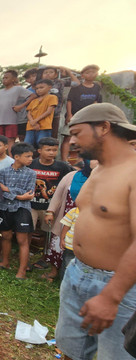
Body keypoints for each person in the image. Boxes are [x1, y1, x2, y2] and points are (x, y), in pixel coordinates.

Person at [54, 103, 136, 360]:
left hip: (119, 286)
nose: (73, 141)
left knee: (114, 356)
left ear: (103, 127)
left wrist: (111, 297)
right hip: (77, 272)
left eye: (77, 133)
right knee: (71, 350)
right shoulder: (98, 168)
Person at [28, 137, 74, 279]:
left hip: (51, 207)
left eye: (54, 150)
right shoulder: (32, 164)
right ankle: (26, 259)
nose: (51, 153)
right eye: (48, 149)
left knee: (48, 234)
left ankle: (44, 258)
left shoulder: (63, 167)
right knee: (28, 230)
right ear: (39, 150)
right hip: (32, 205)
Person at [0, 142, 36, 279]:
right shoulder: (3, 172)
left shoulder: (31, 174)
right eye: (28, 156)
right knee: (5, 236)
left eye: (31, 156)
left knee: (22, 240)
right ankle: (5, 262)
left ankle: (22, 271)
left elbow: (29, 193)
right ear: (17, 157)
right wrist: (18, 195)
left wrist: (9, 190)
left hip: (22, 209)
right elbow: (0, 190)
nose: (31, 159)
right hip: (4, 207)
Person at [64, 64, 102, 161]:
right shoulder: (77, 87)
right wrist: (69, 115)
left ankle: (81, 160)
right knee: (68, 137)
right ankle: (64, 160)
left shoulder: (97, 87)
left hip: (88, 117)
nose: (91, 74)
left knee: (84, 138)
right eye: (88, 72)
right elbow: (69, 101)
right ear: (82, 75)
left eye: (94, 72)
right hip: (75, 116)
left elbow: (96, 101)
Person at [0, 70, 36, 147]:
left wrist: (21, 106)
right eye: (3, 78)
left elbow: (33, 96)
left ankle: (12, 158)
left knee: (10, 140)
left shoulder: (18, 89)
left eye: (6, 78)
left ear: (13, 79)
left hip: (11, 120)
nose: (4, 80)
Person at [40, 65, 80, 139]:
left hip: (55, 114)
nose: (48, 74)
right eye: (45, 72)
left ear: (55, 75)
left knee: (53, 136)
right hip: (41, 114)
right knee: (41, 136)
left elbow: (77, 83)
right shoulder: (39, 84)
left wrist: (68, 71)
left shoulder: (60, 82)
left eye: (51, 72)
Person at [25, 79, 59, 148]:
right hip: (30, 126)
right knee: (27, 144)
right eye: (37, 88)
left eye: (41, 88)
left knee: (42, 144)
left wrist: (35, 121)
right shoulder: (33, 101)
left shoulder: (52, 97)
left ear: (49, 87)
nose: (38, 90)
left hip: (44, 126)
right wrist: (32, 122)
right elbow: (29, 113)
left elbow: (49, 111)